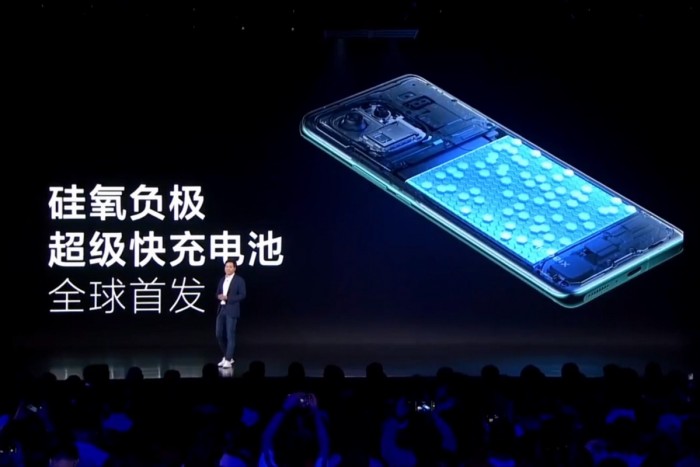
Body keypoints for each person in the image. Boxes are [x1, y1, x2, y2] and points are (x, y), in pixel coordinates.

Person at [216, 258, 246, 369]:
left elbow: (242, 295)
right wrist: (219, 296)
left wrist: (228, 298)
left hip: (232, 309)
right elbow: (218, 292)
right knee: (218, 334)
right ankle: (227, 355)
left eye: (230, 267)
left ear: (234, 268)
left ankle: (228, 359)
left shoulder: (239, 280)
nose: (227, 268)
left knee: (230, 335)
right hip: (222, 308)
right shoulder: (222, 279)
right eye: (226, 266)